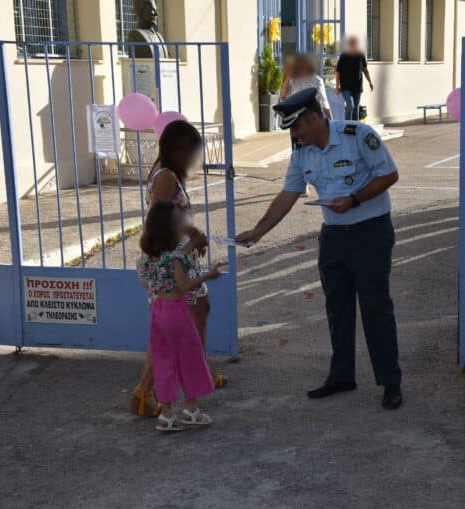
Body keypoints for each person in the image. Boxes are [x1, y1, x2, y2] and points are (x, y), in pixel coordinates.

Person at [235, 88, 403, 410]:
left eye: (297, 127)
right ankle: (342, 375)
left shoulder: (358, 135)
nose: (293, 135)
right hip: (334, 238)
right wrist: (258, 231)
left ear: (314, 119)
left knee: (375, 308)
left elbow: (389, 175)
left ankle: (390, 381)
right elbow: (288, 194)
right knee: (337, 309)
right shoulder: (302, 153)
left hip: (370, 233)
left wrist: (354, 199)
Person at [130, 120, 227, 418]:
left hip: (178, 256)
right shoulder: (167, 177)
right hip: (171, 261)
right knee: (176, 325)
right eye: (190, 152)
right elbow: (158, 220)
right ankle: (146, 389)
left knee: (194, 312)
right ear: (177, 150)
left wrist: (191, 236)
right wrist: (187, 239)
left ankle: (198, 371)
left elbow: (171, 216)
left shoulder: (166, 173)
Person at [138, 201, 220, 431]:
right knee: (189, 358)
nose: (183, 226)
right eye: (178, 222)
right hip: (176, 311)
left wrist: (191, 244)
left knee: (163, 361)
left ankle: (166, 415)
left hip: (158, 311)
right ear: (170, 228)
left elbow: (173, 259)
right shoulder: (175, 258)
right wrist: (208, 275)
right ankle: (191, 410)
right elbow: (183, 286)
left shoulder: (152, 255)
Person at [280, 54, 332, 120]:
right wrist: (288, 76)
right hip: (296, 117)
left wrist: (332, 121)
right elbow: (282, 95)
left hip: (310, 116)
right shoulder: (292, 80)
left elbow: (324, 103)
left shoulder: (317, 80)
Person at [335, 36, 374, 121]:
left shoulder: (360, 56)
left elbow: (365, 70)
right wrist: (337, 86)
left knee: (356, 108)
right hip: (345, 86)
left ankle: (355, 127)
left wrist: (370, 82)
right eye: (351, 44)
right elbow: (338, 71)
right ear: (348, 45)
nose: (353, 46)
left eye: (354, 44)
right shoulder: (343, 56)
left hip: (357, 87)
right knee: (350, 105)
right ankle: (347, 125)